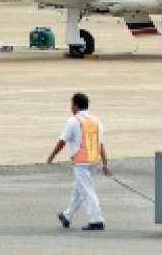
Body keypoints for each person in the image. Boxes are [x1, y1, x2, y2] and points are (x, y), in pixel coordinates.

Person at [47, 92, 111, 230]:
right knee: (80, 189)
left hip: (81, 162)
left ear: (75, 106)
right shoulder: (96, 121)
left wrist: (52, 156)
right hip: (94, 161)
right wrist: (105, 164)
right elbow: (101, 145)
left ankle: (96, 220)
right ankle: (67, 215)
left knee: (87, 190)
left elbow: (62, 141)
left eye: (71, 105)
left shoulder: (73, 121)